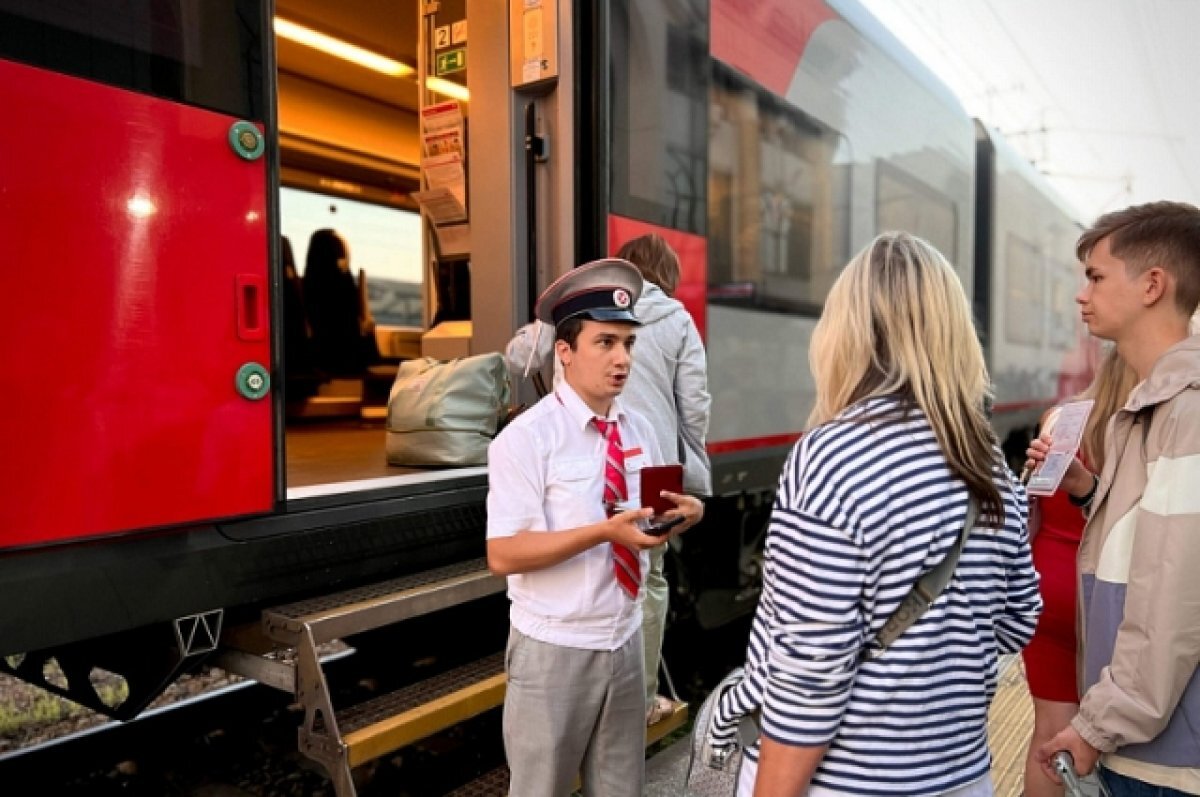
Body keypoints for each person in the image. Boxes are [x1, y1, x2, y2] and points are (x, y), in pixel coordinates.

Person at [711, 231, 1042, 796]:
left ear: (846, 330)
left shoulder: (831, 457)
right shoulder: (986, 460)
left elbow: (810, 674)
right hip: (961, 775)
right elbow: (1018, 619)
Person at [485, 258, 705, 797]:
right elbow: (504, 554)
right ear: (565, 351)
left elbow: (647, 519)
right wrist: (605, 533)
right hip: (554, 651)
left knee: (621, 789)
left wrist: (684, 514)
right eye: (605, 343)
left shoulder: (641, 428)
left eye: (628, 344)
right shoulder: (525, 439)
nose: (622, 359)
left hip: (626, 643)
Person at [1034, 201, 1200, 796]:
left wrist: (1097, 726)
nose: (1083, 296)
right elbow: (1153, 544)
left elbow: (1172, 602)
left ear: (1153, 285)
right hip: (1150, 748)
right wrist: (1089, 493)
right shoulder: (1154, 406)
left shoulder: (1186, 411)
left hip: (1165, 762)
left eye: (1097, 277)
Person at [1020, 348, 1137, 797]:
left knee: (1049, 734)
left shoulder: (1059, 419)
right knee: (1121, 740)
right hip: (1109, 592)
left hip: (1047, 589)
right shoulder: (1144, 427)